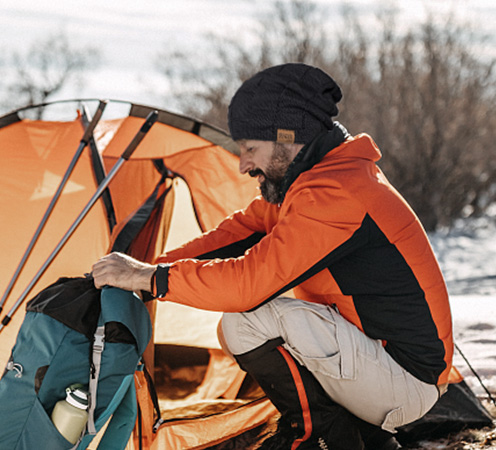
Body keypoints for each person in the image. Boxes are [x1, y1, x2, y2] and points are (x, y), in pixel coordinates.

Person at [91, 63, 453, 449]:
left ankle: (319, 437)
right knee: (245, 322)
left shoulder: (337, 194)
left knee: (248, 319)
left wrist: (150, 280)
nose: (244, 164)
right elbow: (236, 233)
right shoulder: (316, 182)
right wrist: (148, 269)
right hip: (383, 366)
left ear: (288, 138)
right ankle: (359, 438)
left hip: (405, 382)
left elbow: (247, 285)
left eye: (251, 148)